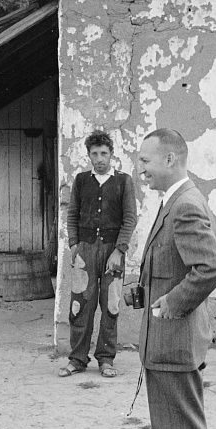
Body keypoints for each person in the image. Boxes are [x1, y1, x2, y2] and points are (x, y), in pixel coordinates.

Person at [126, 129, 216, 429]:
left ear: (170, 160)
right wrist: (146, 291)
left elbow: (211, 267)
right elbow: (175, 263)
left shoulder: (184, 205)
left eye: (146, 161)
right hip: (167, 338)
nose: (141, 169)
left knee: (179, 427)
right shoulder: (174, 202)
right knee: (172, 426)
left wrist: (172, 302)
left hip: (174, 336)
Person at [58, 129, 137, 379]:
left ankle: (106, 359)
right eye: (95, 153)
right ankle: (78, 358)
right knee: (80, 305)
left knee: (110, 305)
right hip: (86, 251)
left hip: (113, 252)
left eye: (104, 153)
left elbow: (130, 219)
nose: (100, 158)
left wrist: (119, 250)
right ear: (89, 156)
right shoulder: (81, 181)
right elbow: (72, 215)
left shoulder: (123, 181)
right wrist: (74, 246)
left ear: (111, 154)